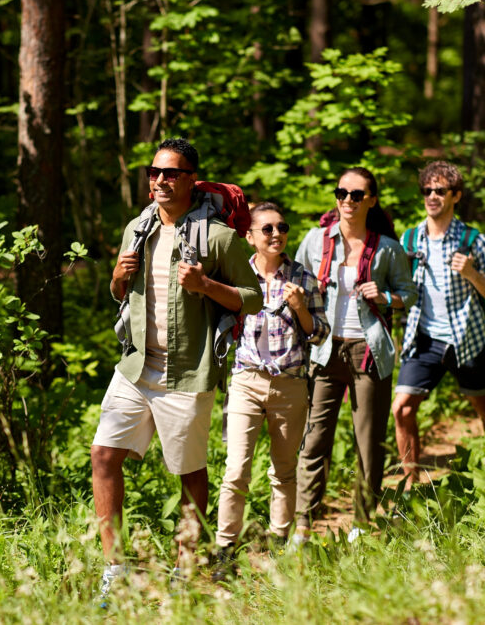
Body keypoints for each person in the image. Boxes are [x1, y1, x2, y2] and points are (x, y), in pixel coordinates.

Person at [91, 138, 262, 594]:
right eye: (154, 172)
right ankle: (116, 567)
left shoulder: (219, 237)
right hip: (135, 366)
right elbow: (119, 293)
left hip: (187, 370)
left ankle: (186, 568)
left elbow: (254, 298)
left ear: (191, 180)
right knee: (104, 456)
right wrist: (116, 278)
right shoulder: (137, 229)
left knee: (188, 472)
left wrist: (204, 283)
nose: (160, 180)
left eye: (171, 173)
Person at [293, 167, 416, 536]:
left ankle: (362, 523)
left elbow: (409, 295)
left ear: (371, 201)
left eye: (357, 194)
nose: (348, 200)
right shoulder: (316, 241)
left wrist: (387, 297)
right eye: (342, 193)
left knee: (368, 441)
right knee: (314, 439)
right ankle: (303, 525)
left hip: (368, 350)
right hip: (324, 349)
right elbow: (294, 280)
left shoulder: (388, 249)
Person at [213, 202, 328, 572]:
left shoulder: (304, 279)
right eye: (267, 229)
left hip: (290, 384)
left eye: (282, 227)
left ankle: (280, 542)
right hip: (246, 380)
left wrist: (301, 309)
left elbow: (321, 334)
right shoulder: (235, 276)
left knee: (284, 468)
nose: (276, 234)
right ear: (249, 236)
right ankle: (225, 550)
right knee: (235, 470)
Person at [392, 160, 485, 482]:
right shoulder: (411, 239)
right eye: (427, 190)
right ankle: (410, 485)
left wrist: (472, 274)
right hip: (424, 338)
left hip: (466, 338)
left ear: (455, 195)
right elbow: (401, 287)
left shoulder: (473, 241)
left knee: (483, 403)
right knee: (401, 408)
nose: (432, 196)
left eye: (440, 190)